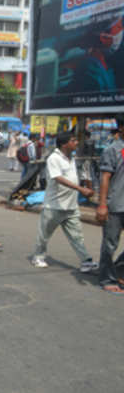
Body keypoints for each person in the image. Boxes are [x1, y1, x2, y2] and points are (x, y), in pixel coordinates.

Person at [30, 132, 98, 272]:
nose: (76, 143)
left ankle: (86, 261)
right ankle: (38, 256)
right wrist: (80, 189)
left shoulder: (71, 158)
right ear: (64, 144)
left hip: (71, 205)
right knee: (44, 235)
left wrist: (87, 188)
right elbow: (57, 178)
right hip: (54, 205)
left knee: (77, 235)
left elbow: (79, 175)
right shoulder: (54, 158)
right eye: (73, 140)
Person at [96, 116, 124, 293]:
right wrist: (102, 205)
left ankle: (119, 270)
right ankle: (106, 278)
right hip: (116, 204)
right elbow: (105, 177)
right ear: (121, 128)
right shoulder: (112, 150)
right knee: (110, 244)